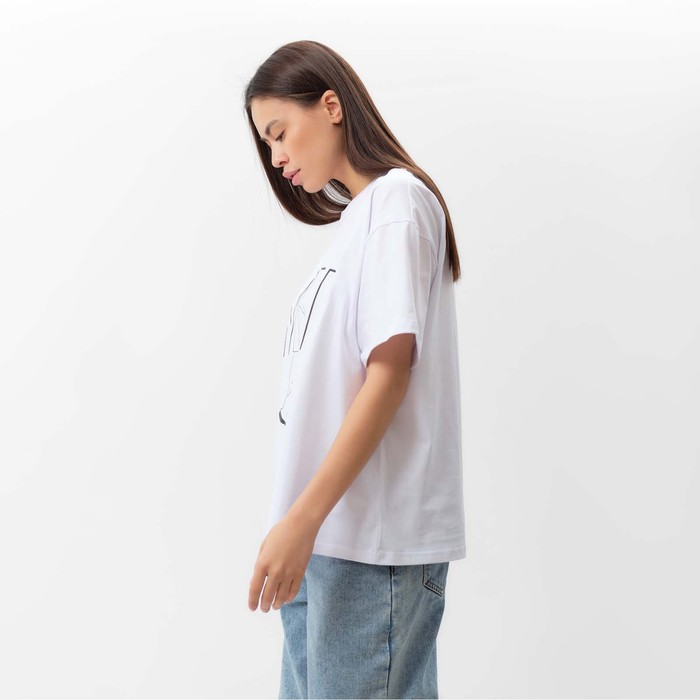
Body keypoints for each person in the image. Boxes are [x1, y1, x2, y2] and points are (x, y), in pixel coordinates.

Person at [243, 40, 466, 699]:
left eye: (279, 132)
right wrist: (298, 526)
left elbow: (388, 377)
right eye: (266, 143)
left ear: (331, 106)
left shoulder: (397, 202)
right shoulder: (357, 223)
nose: (276, 157)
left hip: (368, 544)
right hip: (326, 544)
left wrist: (303, 520)